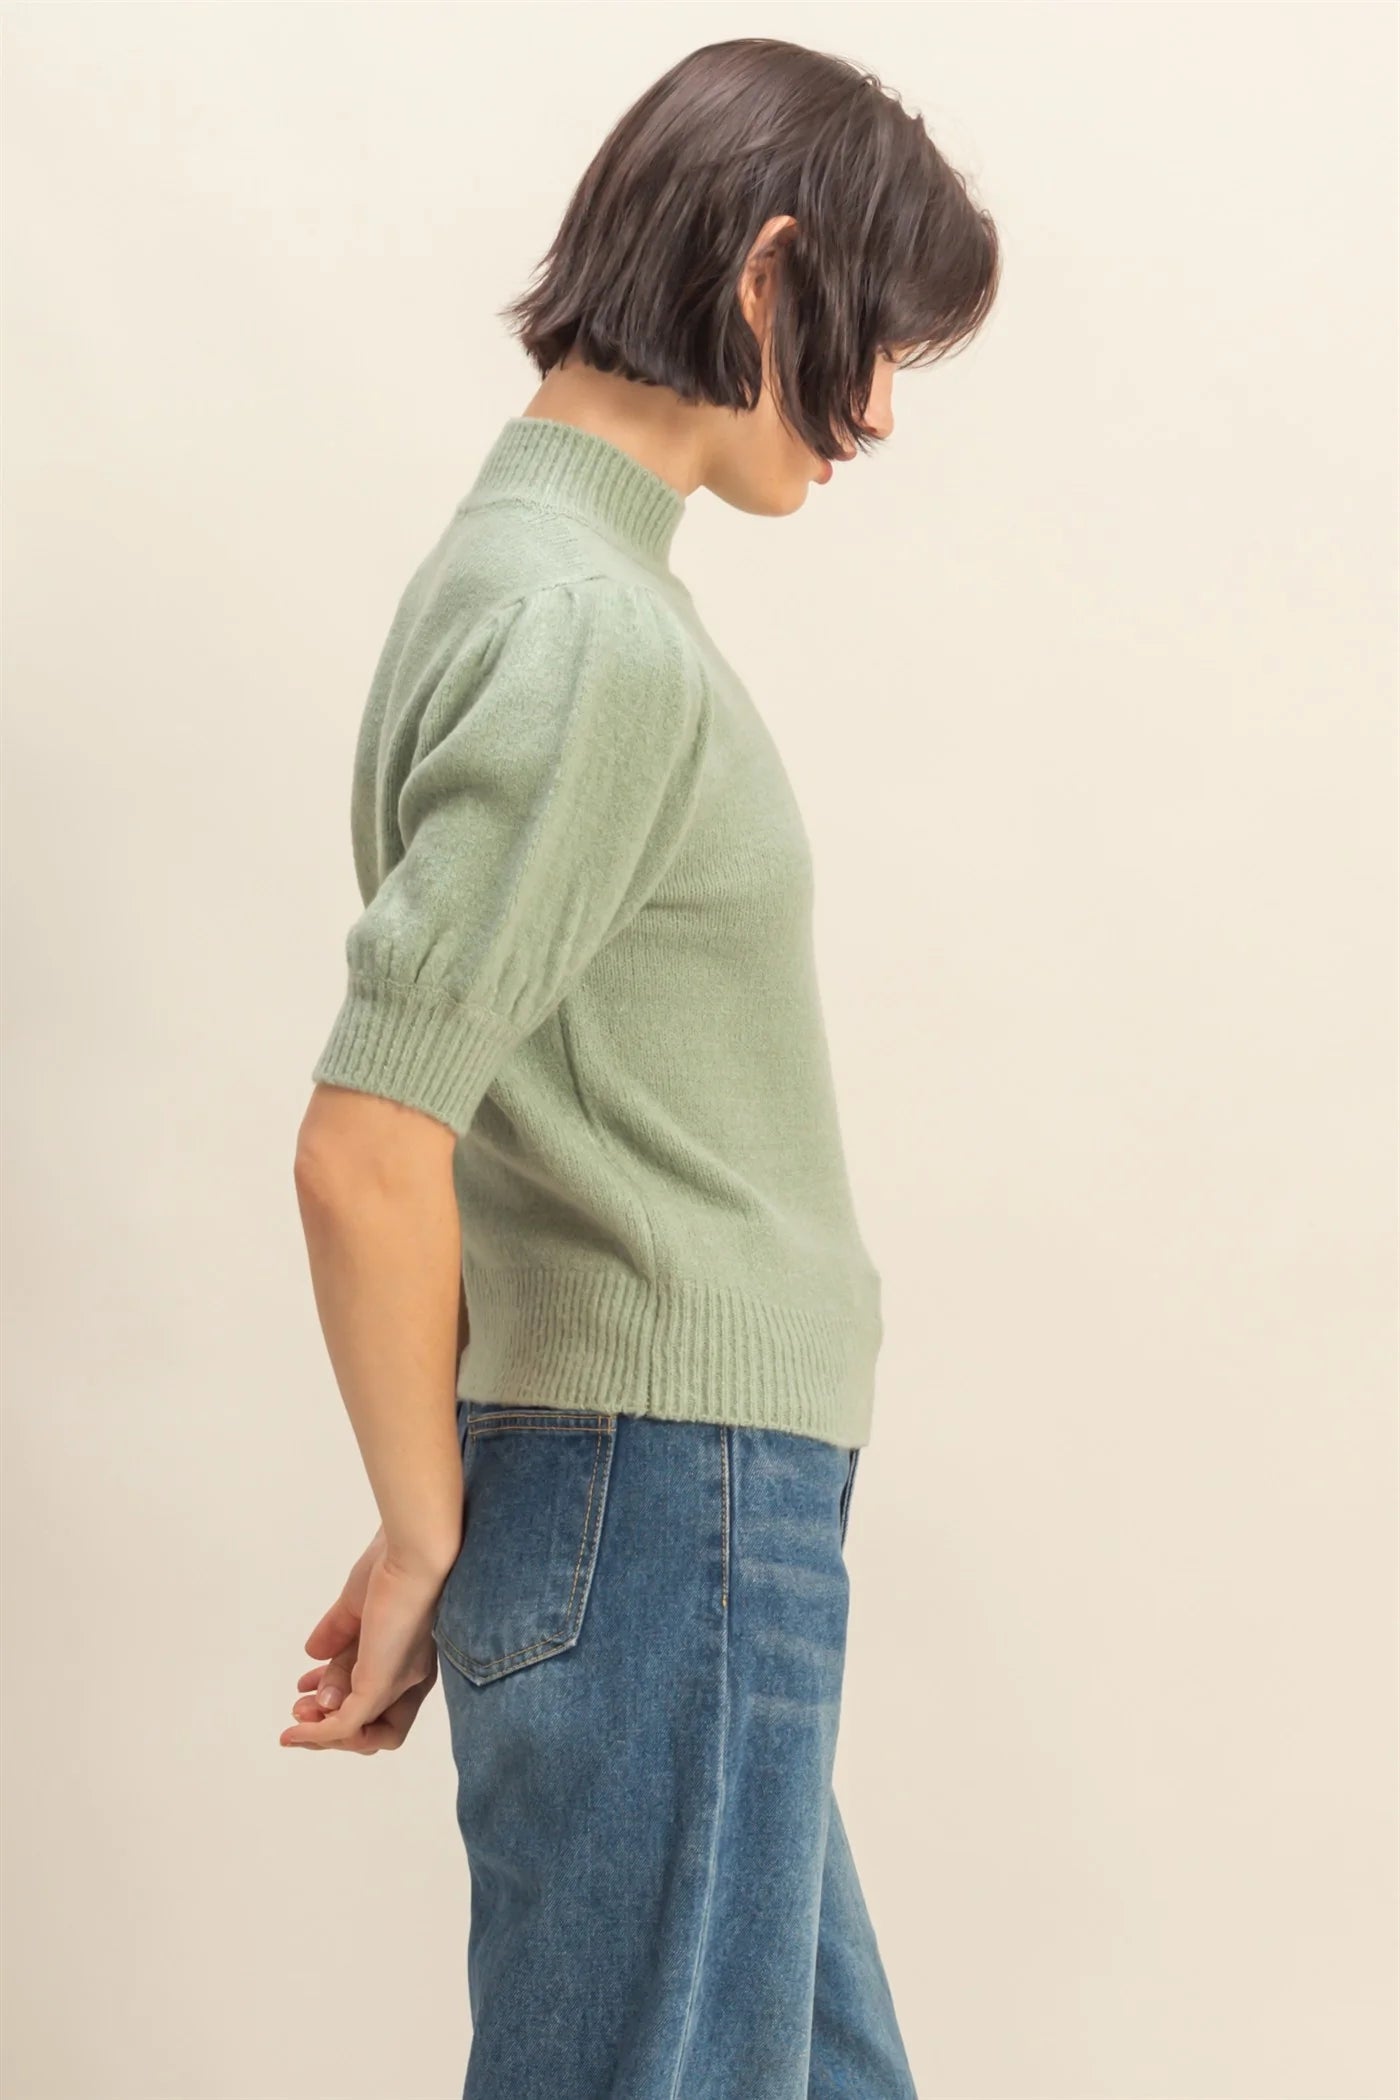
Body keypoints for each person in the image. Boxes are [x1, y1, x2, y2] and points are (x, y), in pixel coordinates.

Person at [280, 35, 999, 2100]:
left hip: (652, 1494)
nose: (876, 413)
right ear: (767, 276)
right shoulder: (585, 630)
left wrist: (475, 1508)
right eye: (874, 345)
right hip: (673, 1492)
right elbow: (368, 1141)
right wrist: (427, 1533)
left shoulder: (523, 585)